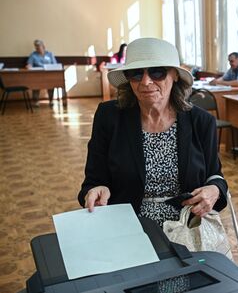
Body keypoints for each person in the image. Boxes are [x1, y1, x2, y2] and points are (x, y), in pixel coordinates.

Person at [78, 37, 228, 229]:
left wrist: (215, 189)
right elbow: (93, 180)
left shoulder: (201, 121)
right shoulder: (109, 117)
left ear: (175, 75)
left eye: (157, 72)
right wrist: (96, 189)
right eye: (136, 73)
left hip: (186, 224)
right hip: (126, 223)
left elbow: (215, 175)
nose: (146, 82)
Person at [26, 39, 58, 107]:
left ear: (43, 46)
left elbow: (55, 64)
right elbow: (29, 64)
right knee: (35, 83)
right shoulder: (33, 54)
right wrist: (29, 66)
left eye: (39, 46)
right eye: (36, 47)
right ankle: (36, 101)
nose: (37, 48)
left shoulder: (50, 54)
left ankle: (51, 100)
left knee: (51, 83)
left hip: (49, 74)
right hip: (38, 74)